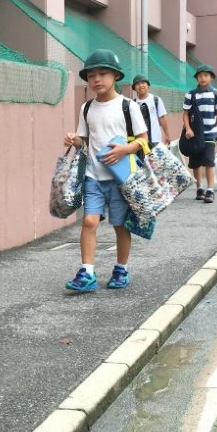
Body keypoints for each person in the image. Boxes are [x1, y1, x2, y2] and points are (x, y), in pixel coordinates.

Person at [62, 49, 149, 293]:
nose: (96, 79)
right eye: (91, 76)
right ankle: (87, 273)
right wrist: (73, 140)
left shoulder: (128, 106)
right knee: (89, 221)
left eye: (102, 74)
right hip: (93, 176)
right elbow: (83, 141)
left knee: (120, 225)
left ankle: (121, 269)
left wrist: (125, 150)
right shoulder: (86, 108)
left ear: (115, 76)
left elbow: (143, 140)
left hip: (120, 179)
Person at [182, 63, 217, 204]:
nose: (203, 78)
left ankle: (210, 190)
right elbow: (185, 114)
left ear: (211, 77)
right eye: (200, 76)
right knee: (195, 163)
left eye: (206, 75)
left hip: (210, 133)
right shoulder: (190, 94)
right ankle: (199, 187)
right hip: (195, 135)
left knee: (209, 161)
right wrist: (188, 129)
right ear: (196, 78)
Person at [130, 74, 171, 148]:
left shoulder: (156, 100)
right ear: (134, 88)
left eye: (143, 83)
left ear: (148, 86)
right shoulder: (133, 104)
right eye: (137, 84)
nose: (141, 85)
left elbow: (162, 118)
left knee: (155, 156)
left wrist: (167, 135)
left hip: (155, 140)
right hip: (139, 142)